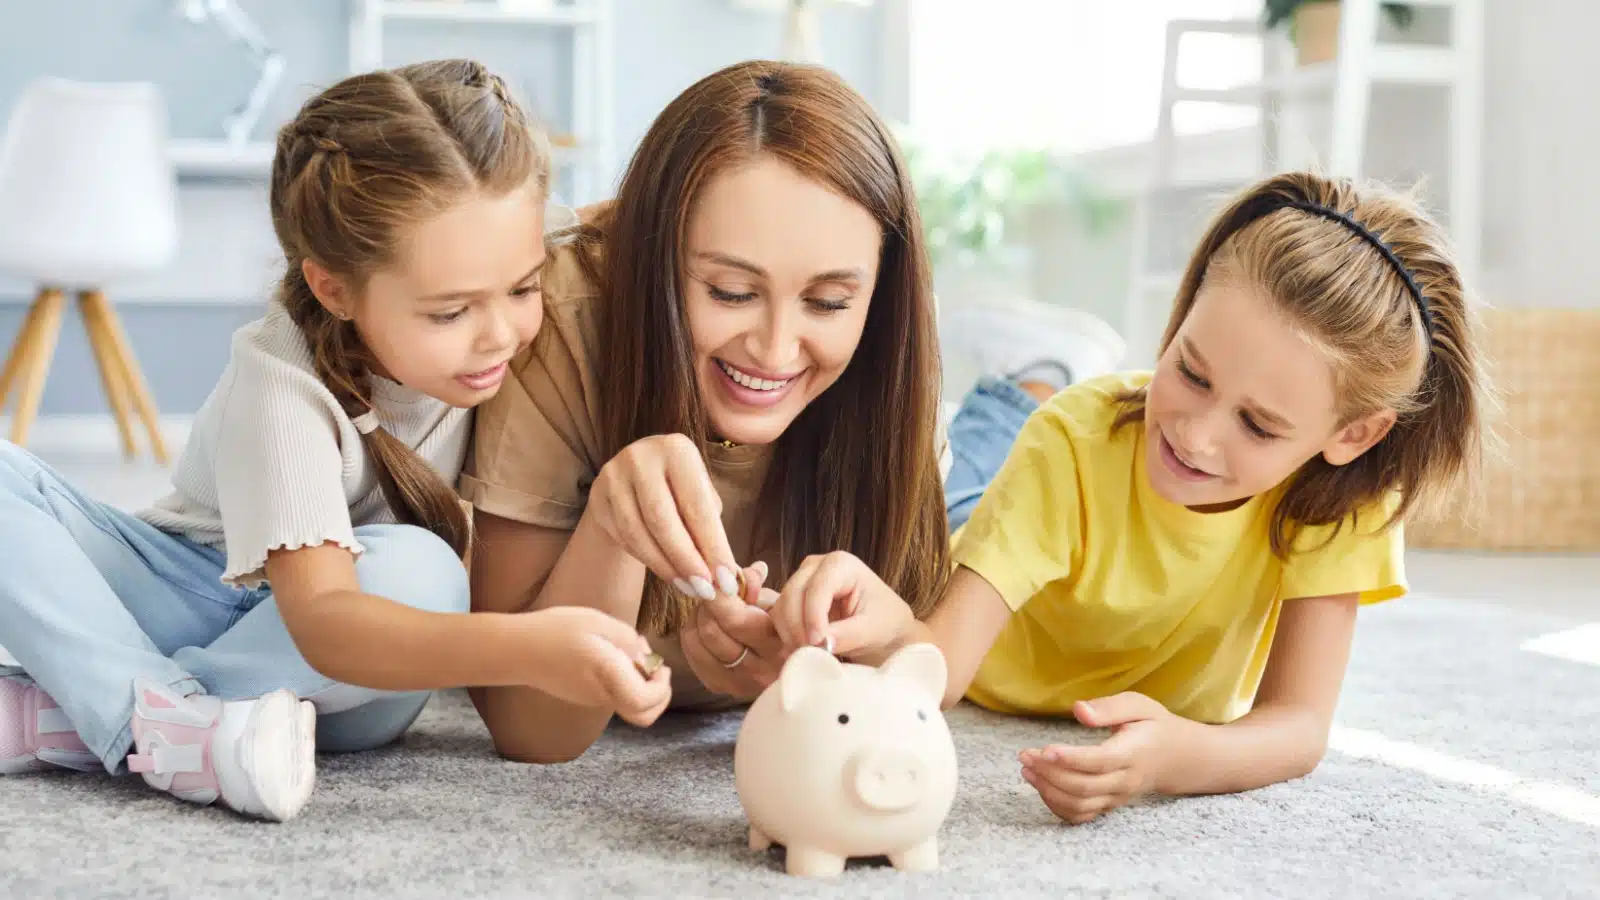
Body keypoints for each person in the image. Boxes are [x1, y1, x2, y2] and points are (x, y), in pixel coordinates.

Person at [0, 60, 669, 822]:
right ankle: (156, 722)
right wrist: (529, 646)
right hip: (203, 593)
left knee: (421, 573)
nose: (501, 337)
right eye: (450, 314)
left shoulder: (486, 234)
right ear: (334, 289)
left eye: (523, 289)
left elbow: (641, 223)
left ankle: (109, 706)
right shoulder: (281, 382)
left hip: (355, 683)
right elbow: (322, 618)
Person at [768, 171, 1494, 824]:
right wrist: (877, 628)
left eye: (1258, 424)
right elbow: (942, 665)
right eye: (1191, 371)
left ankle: (1042, 374)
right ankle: (1029, 379)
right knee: (969, 479)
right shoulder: (1075, 442)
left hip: (1073, 500)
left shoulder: (1345, 501)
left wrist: (1177, 760)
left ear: (1354, 435)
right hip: (1001, 538)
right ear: (1179, 319)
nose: (1196, 435)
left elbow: (1299, 724)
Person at [462, 58, 1125, 764]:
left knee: (976, 485)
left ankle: (1029, 386)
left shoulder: (888, 347)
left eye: (829, 303)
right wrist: (613, 523)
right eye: (729, 292)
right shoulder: (557, 318)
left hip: (938, 453)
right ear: (653, 264)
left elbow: (922, 672)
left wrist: (862, 646)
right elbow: (528, 729)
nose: (775, 350)